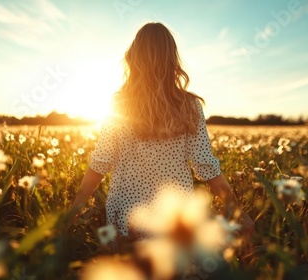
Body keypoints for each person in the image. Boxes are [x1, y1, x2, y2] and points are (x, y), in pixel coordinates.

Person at [70, 22, 254, 239]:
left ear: (133, 58)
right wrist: (238, 212)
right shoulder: (189, 105)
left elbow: (100, 163)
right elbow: (206, 166)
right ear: (172, 59)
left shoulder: (120, 103)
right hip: (175, 221)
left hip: (125, 221)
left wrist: (71, 214)